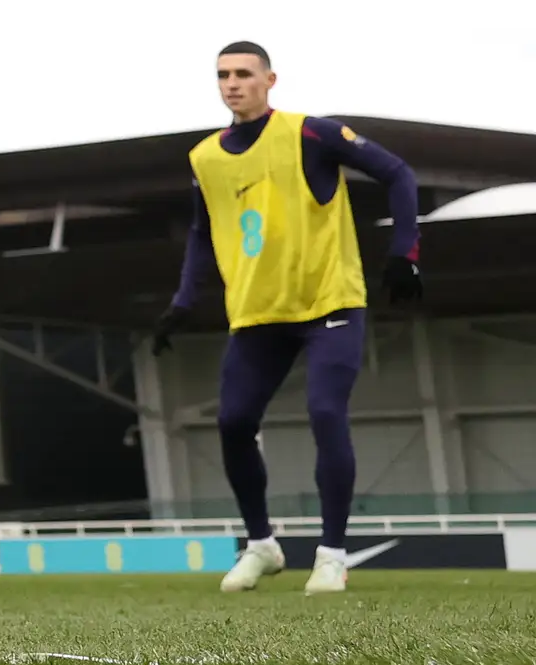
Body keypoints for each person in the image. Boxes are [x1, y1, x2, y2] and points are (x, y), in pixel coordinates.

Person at [157, 40, 423, 595]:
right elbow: (202, 233)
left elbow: (398, 174)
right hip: (258, 312)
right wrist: (183, 302)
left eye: (244, 74)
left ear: (270, 80)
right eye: (223, 75)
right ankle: (262, 546)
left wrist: (404, 253)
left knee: (325, 411)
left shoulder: (311, 133)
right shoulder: (205, 158)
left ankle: (331, 554)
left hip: (329, 301)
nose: (232, 83)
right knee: (232, 422)